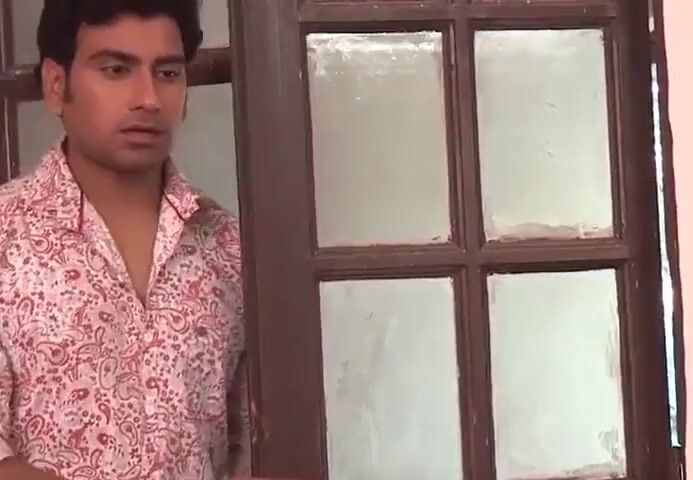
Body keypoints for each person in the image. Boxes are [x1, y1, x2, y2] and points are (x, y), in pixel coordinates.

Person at [0, 1, 248, 479]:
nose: (149, 98)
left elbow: (257, 441)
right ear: (56, 85)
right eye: (116, 70)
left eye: (168, 73)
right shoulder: (7, 234)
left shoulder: (228, 245)